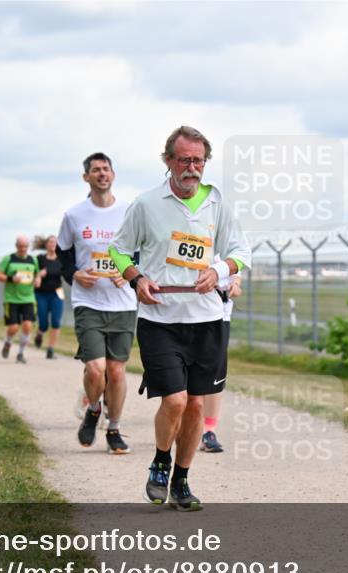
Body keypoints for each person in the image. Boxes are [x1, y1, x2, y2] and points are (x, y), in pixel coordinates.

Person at [109, 126, 252, 510]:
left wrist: (220, 272)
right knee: (174, 401)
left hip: (207, 319)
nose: (192, 168)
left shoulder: (217, 204)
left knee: (195, 406)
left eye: (198, 160)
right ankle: (160, 462)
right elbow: (120, 251)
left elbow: (241, 251)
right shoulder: (146, 204)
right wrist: (136, 279)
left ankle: (182, 480)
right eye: (184, 159)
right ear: (168, 161)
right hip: (160, 318)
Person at [57, 152, 136, 455]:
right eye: (95, 170)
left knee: (116, 372)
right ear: (86, 177)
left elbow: (142, 252)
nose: (102, 174)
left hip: (122, 303)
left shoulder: (129, 212)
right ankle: (93, 410)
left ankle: (114, 428)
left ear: (113, 175)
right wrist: (75, 273)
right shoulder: (74, 215)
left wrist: (128, 274)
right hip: (88, 301)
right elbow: (63, 257)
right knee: (95, 369)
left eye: (106, 169)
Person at [200, 271, 242, 453]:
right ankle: (182, 421)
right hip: (184, 314)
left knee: (214, 376)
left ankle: (209, 431)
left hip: (220, 316)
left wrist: (235, 286)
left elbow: (237, 280)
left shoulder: (228, 245)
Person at [0, 235, 39, 364]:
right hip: (12, 299)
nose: (23, 249)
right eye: (21, 246)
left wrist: (37, 280)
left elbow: (37, 275)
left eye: (25, 246)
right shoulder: (8, 259)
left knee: (27, 326)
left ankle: (20, 353)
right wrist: (10, 279)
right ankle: (8, 342)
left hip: (28, 298)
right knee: (13, 327)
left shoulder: (33, 260)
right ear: (16, 246)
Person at [33, 235, 65, 360]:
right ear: (46, 245)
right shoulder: (40, 259)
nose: (53, 244)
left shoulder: (61, 260)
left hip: (56, 294)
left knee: (56, 322)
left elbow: (68, 273)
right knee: (43, 323)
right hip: (41, 294)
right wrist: (38, 275)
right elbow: (32, 272)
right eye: (50, 242)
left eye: (55, 242)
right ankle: (40, 334)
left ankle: (50, 349)